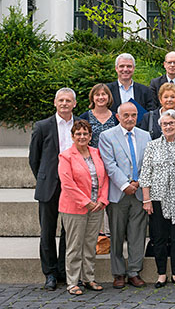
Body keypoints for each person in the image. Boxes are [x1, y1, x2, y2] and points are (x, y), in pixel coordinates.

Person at [99, 102, 150, 289]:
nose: (130, 119)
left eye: (134, 115)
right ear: (118, 117)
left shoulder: (145, 136)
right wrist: (125, 184)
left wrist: (138, 182)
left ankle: (134, 272)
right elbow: (109, 164)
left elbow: (148, 163)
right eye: (126, 115)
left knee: (138, 234)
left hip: (139, 192)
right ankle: (118, 273)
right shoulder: (107, 136)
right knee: (117, 235)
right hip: (118, 193)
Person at [138, 110, 175, 289]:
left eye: (171, 123)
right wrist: (146, 199)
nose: (168, 126)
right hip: (157, 197)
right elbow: (145, 174)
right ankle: (161, 274)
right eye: (165, 124)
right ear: (160, 126)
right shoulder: (152, 146)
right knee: (159, 237)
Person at [29, 88, 74, 290]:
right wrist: (45, 177)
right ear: (55, 103)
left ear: (74, 104)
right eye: (61, 100)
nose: (64, 103)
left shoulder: (80, 124)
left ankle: (65, 271)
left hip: (72, 186)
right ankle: (50, 273)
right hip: (49, 186)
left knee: (68, 231)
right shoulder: (42, 126)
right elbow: (34, 159)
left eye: (68, 100)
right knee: (47, 230)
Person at [58, 119, 109, 296]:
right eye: (78, 133)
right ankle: (72, 282)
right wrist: (86, 201)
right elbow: (67, 184)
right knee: (74, 245)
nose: (82, 136)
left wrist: (102, 199)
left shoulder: (96, 153)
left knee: (90, 244)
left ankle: (89, 278)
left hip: (97, 207)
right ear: (72, 136)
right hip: (74, 208)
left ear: (90, 136)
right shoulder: (66, 156)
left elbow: (105, 178)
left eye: (85, 133)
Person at [78, 83, 118, 148]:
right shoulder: (84, 118)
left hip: (112, 157)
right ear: (92, 98)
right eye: (97, 95)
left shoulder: (116, 118)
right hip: (91, 156)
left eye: (103, 94)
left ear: (108, 97)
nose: (100, 97)